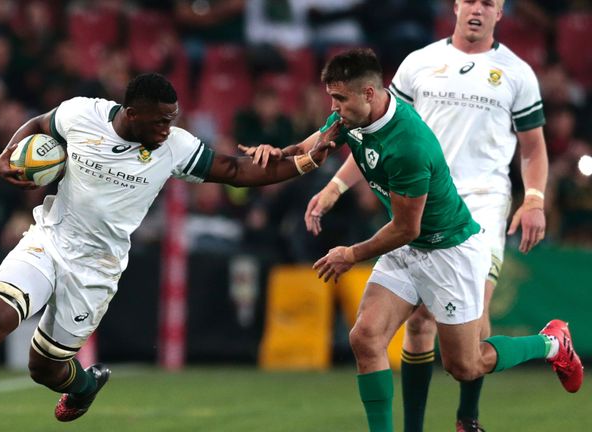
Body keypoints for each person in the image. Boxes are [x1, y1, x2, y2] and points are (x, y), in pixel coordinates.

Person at [0, 72, 338, 432]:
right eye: (159, 121)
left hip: (96, 269)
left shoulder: (174, 146)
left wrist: (305, 162)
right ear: (131, 113)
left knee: (43, 368)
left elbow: (233, 170)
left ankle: (84, 386)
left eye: (171, 120)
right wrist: (2, 158)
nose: (166, 128)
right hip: (49, 239)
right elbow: (39, 123)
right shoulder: (82, 113)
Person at [241, 48, 583, 432]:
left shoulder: (407, 145)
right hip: (409, 248)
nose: (332, 106)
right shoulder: (350, 115)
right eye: (331, 97)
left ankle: (552, 343)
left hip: (448, 250)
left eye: (339, 98)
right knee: (366, 337)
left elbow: (408, 228)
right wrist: (278, 154)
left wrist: (350, 254)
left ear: (369, 93)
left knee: (465, 364)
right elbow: (314, 147)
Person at [386, 1, 551, 430]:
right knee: (420, 319)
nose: (478, 9)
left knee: (473, 312)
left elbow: (533, 147)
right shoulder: (419, 63)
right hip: (428, 201)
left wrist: (533, 198)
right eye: (471, 0)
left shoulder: (517, 73)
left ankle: (467, 417)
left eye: (489, 3)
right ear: (455, 6)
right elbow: (388, 129)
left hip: (483, 205)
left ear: (500, 13)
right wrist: (338, 185)